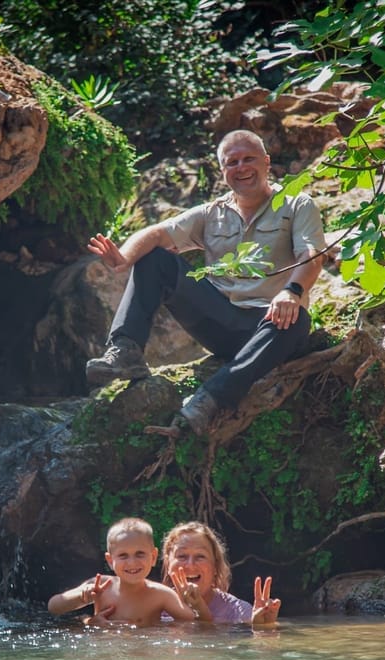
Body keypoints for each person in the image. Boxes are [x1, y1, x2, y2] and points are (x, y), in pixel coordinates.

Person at [85, 129, 327, 436]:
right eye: (232, 162)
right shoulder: (213, 213)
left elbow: (311, 253)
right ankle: (125, 352)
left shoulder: (296, 205)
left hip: (271, 323)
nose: (241, 167)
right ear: (223, 171)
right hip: (220, 321)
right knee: (154, 257)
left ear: (267, 163)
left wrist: (292, 292)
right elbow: (157, 233)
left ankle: (210, 399)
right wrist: (124, 259)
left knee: (296, 321)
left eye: (249, 159)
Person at [47, 517, 202, 626]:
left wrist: (193, 600)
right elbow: (53, 607)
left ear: (153, 557)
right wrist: (81, 597)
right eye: (123, 555)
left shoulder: (161, 594)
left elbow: (194, 623)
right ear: (110, 561)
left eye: (140, 554)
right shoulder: (100, 586)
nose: (132, 562)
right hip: (106, 654)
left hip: (143, 656)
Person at [161, 520, 281, 624]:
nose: (190, 565)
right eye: (182, 556)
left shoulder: (238, 612)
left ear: (215, 566)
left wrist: (264, 629)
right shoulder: (155, 607)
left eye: (200, 556)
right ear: (167, 562)